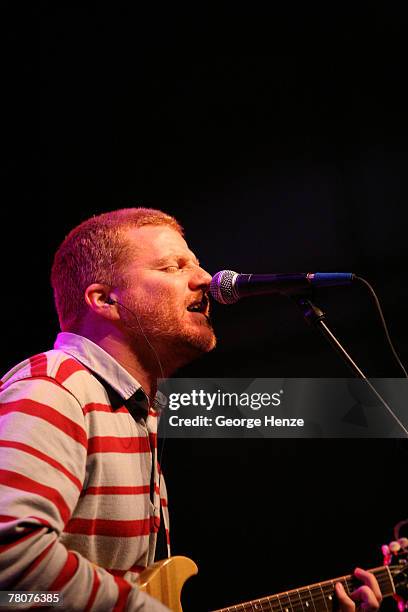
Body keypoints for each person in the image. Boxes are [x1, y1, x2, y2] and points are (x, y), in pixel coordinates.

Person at [0, 208, 382, 611]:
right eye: (173, 267)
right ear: (105, 299)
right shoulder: (55, 388)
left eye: (197, 265)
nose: (204, 279)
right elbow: (11, 564)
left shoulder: (136, 411)